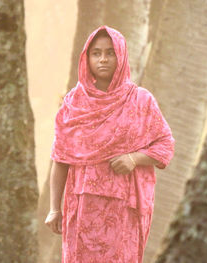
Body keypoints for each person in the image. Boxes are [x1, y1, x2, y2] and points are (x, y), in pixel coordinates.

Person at [44, 25, 175, 263]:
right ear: (87, 57)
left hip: (123, 210)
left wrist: (134, 159)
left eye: (110, 52)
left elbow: (165, 145)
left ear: (122, 56)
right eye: (96, 53)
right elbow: (61, 157)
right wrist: (54, 208)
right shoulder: (75, 102)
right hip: (82, 206)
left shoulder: (141, 100)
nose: (103, 59)